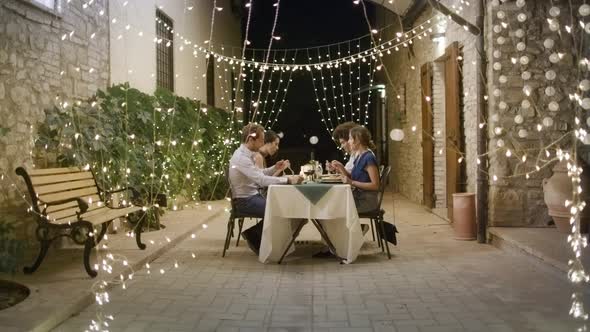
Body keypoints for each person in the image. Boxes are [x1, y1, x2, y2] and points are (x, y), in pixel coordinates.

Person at [229, 123, 302, 254]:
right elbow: (261, 180)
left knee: (284, 207)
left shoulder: (246, 155)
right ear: (251, 139)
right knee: (281, 210)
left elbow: (259, 174)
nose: (263, 143)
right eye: (261, 140)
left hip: (252, 197)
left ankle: (256, 236)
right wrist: (288, 180)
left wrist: (275, 168)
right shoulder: (241, 158)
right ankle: (258, 239)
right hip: (244, 201)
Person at [340, 126, 380, 214]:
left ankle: (357, 228)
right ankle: (358, 228)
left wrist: (352, 182)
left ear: (357, 140)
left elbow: (375, 185)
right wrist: (340, 167)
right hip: (358, 197)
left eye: (350, 138)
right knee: (334, 204)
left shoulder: (368, 157)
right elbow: (351, 177)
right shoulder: (359, 156)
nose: (349, 142)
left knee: (336, 208)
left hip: (366, 201)